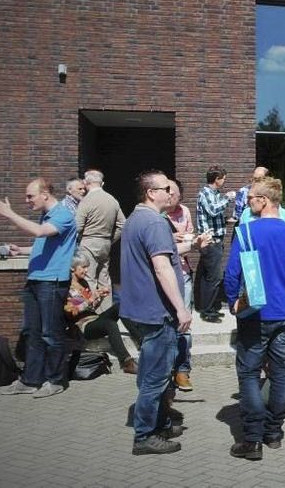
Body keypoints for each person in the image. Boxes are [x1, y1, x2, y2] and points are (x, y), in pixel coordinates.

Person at [225, 177, 285, 460]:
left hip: (255, 313)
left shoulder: (246, 232)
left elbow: (232, 273)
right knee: (280, 371)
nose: (248, 203)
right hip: (284, 311)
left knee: (248, 372)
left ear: (264, 200)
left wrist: (233, 301)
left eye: (251, 199)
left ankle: (253, 437)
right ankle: (274, 432)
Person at [119, 170, 192, 455]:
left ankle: (159, 422)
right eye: (166, 188)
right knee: (155, 377)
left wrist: (190, 245)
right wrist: (180, 307)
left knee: (154, 372)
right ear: (151, 192)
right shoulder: (154, 222)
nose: (171, 193)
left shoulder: (136, 219)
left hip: (140, 309)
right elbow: (162, 268)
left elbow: (163, 256)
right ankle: (145, 435)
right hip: (157, 311)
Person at [0, 178, 78, 399]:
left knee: (51, 333)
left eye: (30, 196)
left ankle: (55, 380)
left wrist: (9, 214)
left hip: (52, 282)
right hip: (36, 280)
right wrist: (21, 250)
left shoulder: (63, 215)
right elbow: (44, 243)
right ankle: (30, 380)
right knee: (32, 332)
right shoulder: (48, 216)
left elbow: (40, 232)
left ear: (45, 193)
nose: (27, 200)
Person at [64, 252, 137, 374]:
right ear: (73, 268)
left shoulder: (83, 283)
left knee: (120, 306)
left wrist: (98, 297)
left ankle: (142, 340)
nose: (86, 270)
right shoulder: (67, 287)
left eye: (87, 267)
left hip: (93, 318)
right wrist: (89, 300)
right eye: (83, 267)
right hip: (82, 326)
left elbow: (90, 305)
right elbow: (71, 311)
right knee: (110, 324)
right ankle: (126, 362)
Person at [74, 169, 125, 314]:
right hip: (106, 244)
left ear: (85, 182)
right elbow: (123, 224)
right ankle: (107, 313)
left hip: (88, 242)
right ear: (102, 183)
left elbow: (77, 227)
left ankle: (90, 314)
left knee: (88, 278)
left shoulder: (86, 201)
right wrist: (110, 239)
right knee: (104, 279)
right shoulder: (112, 200)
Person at [165, 179, 199, 392]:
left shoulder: (184, 211)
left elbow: (191, 235)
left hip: (183, 272)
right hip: (161, 275)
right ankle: (165, 369)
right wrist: (171, 237)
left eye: (174, 193)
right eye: (167, 192)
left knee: (184, 324)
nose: (170, 196)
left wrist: (188, 239)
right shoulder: (155, 215)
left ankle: (182, 370)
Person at [194, 165, 234, 323]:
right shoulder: (205, 193)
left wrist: (225, 221)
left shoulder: (214, 193)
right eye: (223, 178)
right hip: (210, 242)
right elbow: (212, 210)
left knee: (209, 277)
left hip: (216, 240)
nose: (224, 181)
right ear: (217, 179)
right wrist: (228, 198)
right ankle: (207, 311)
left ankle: (208, 308)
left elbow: (211, 218)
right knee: (213, 277)